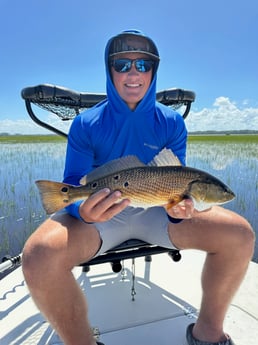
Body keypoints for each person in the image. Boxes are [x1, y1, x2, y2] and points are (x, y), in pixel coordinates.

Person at [22, 30, 255, 345]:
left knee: (240, 235)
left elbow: (175, 183)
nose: (134, 73)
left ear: (154, 71)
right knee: (37, 255)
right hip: (102, 218)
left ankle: (208, 334)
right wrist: (83, 210)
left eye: (144, 65)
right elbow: (73, 181)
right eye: (122, 64)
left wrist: (179, 211)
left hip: (156, 212)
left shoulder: (172, 122)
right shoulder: (85, 123)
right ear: (110, 69)